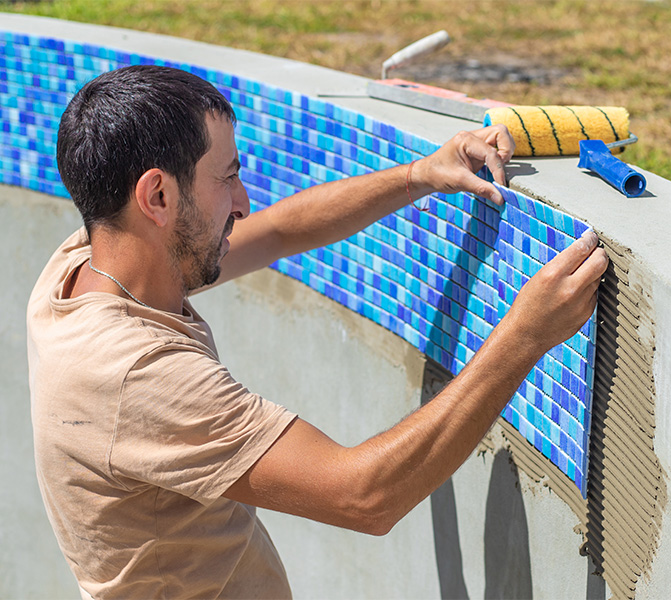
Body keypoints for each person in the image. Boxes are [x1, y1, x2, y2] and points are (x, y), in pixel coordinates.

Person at [27, 65, 607, 599]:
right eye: (226, 178)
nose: (244, 201)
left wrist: (419, 175)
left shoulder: (88, 265)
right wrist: (526, 335)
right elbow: (365, 496)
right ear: (157, 195)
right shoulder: (138, 377)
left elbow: (279, 232)